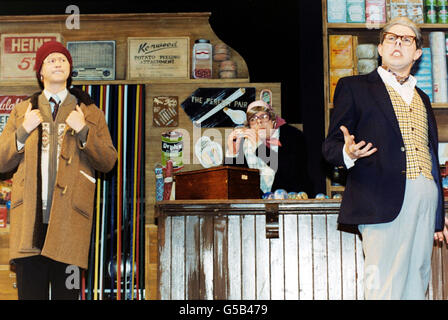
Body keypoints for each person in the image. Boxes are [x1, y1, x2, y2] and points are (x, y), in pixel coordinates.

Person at [323, 17, 448, 299]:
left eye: (406, 40)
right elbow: (330, 146)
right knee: (383, 287)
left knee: (417, 282)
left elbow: (430, 155)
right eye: (391, 38)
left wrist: (439, 215)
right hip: (381, 198)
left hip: (425, 199)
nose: (398, 43)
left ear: (417, 53)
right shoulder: (354, 87)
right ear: (380, 48)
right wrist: (347, 152)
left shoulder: (423, 98)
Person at [0, 41, 117, 299]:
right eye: (50, 59)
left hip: (71, 226)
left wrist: (83, 129)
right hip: (28, 230)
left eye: (62, 59)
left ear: (70, 70)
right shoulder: (22, 112)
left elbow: (108, 160)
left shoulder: (89, 111)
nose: (57, 63)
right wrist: (23, 131)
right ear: (40, 72)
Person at [225, 100, 312, 196]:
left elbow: (292, 172)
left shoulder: (293, 136)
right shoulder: (244, 142)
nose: (259, 122)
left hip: (288, 203)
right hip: (253, 206)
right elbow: (232, 183)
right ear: (249, 126)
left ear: (273, 120)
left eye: (264, 117)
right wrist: (233, 153)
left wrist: (260, 148)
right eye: (253, 119)